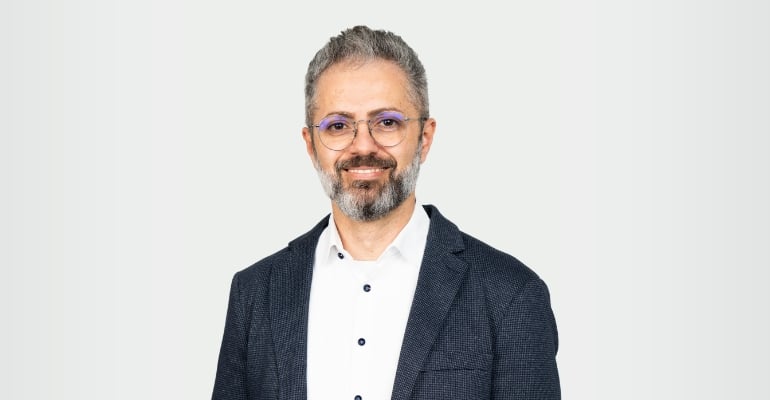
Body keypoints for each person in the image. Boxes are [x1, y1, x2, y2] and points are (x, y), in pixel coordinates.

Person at [212, 25, 560, 400]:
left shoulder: (511, 296)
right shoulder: (256, 294)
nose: (363, 146)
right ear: (311, 145)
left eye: (387, 122)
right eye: (338, 125)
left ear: (424, 138)